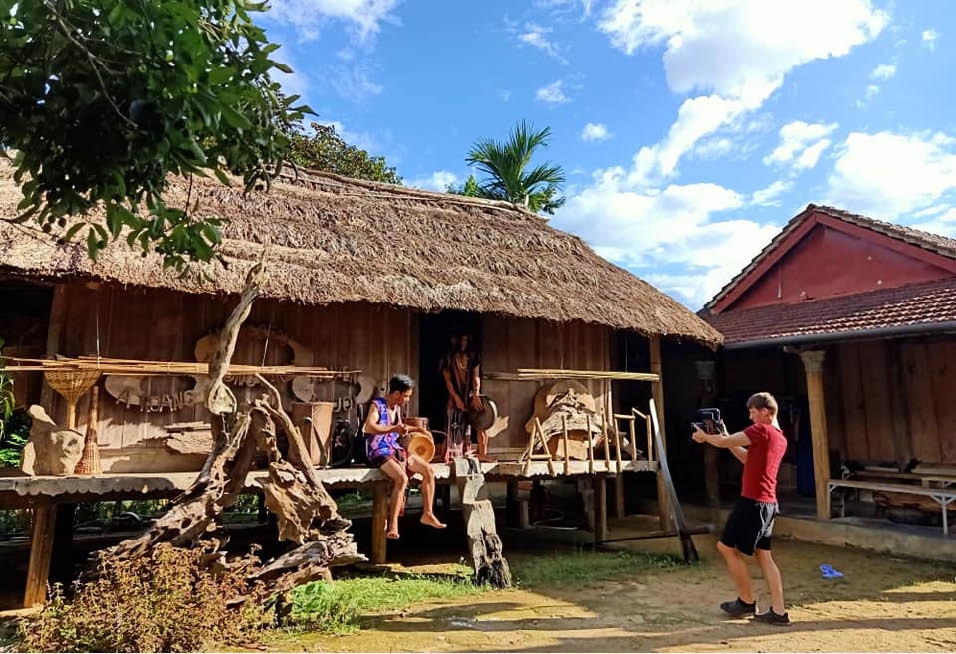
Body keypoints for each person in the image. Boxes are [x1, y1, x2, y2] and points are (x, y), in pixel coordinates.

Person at [692, 392, 790, 625]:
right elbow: (746, 457)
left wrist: (706, 437)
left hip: (753, 502)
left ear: (765, 412)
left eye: (752, 412)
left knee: (725, 547)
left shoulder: (761, 430)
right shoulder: (778, 437)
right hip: (768, 504)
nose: (750, 416)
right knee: (764, 556)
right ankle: (779, 610)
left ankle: (746, 601)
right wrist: (723, 436)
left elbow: (726, 443)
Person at [364, 374, 447, 539]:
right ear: (396, 394)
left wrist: (419, 430)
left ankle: (428, 513)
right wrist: (394, 430)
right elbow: (369, 427)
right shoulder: (377, 405)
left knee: (428, 470)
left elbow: (400, 427)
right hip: (378, 450)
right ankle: (393, 524)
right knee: (402, 478)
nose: (408, 399)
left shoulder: (396, 408)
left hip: (394, 448)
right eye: (407, 396)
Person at [439, 333, 495, 462]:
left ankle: (482, 454)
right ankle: (450, 454)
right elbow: (448, 381)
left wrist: (476, 394)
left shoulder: (473, 356)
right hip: (455, 395)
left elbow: (476, 377)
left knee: (481, 423)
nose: (464, 342)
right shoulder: (448, 358)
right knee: (452, 424)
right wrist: (456, 398)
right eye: (461, 339)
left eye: (466, 339)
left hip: (470, 394)